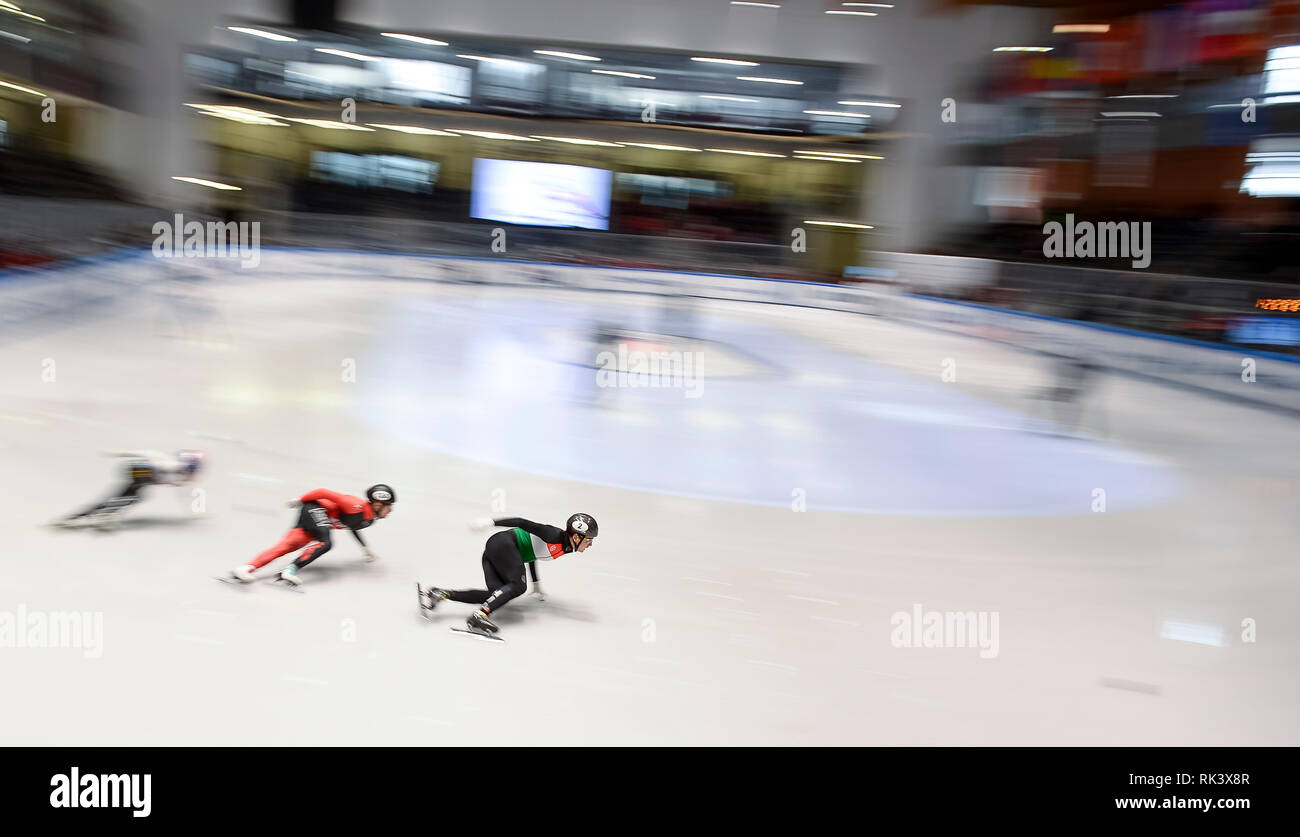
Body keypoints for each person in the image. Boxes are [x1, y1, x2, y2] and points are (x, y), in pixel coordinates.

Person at [420, 513, 598, 634]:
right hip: (504, 544)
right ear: (576, 537)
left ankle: (441, 593)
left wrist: (536, 584)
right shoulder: (554, 535)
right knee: (518, 586)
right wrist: (491, 522)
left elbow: (533, 553)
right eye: (589, 540)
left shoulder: (566, 547)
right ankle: (479, 615)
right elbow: (522, 522)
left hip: (499, 549)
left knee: (496, 595)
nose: (590, 545)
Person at [230, 485, 395, 586]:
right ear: (378, 504)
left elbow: (352, 526)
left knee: (290, 544)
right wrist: (300, 500)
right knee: (326, 542)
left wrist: (365, 548)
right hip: (315, 508)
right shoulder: (355, 505)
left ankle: (245, 568)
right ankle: (289, 571)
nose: (391, 511)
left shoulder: (368, 520)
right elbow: (323, 492)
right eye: (389, 506)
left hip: (318, 519)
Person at [53, 449, 205, 529]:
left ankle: (84, 516)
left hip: (136, 469)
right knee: (131, 495)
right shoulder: (176, 469)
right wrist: (194, 511)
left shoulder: (173, 466)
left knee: (128, 495)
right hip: (141, 471)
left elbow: (148, 453)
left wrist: (119, 453)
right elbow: (185, 493)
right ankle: (103, 516)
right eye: (191, 472)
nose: (190, 476)